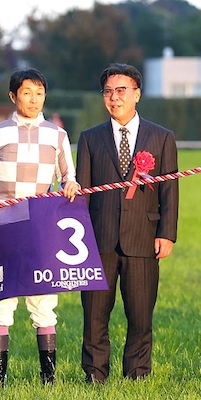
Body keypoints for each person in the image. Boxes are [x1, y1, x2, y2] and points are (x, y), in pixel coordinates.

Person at [0, 69, 80, 385]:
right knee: (1, 304)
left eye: (40, 92)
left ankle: (48, 380)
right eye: (27, 92)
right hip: (2, 229)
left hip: (41, 231)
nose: (34, 98)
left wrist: (71, 185)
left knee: (44, 306)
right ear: (13, 96)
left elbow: (67, 176)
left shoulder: (57, 135)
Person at [77, 64, 178, 382]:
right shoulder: (89, 138)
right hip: (98, 240)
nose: (114, 97)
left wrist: (167, 234)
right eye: (108, 91)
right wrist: (80, 241)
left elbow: (170, 191)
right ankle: (95, 372)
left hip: (144, 238)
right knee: (94, 315)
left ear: (137, 94)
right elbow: (82, 194)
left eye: (121, 90)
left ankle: (137, 372)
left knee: (140, 314)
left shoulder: (161, 138)